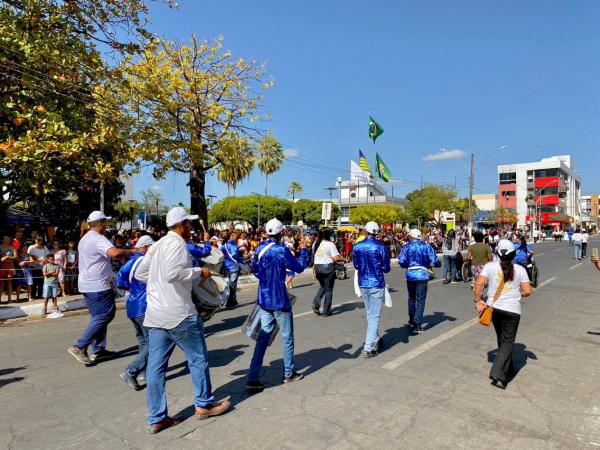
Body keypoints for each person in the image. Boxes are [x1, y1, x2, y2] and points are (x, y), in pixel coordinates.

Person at [135, 207, 230, 434]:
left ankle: (157, 418)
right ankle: (204, 405)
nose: (191, 227)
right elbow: (173, 274)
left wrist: (159, 286)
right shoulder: (176, 244)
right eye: (189, 223)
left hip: (156, 316)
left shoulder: (156, 245)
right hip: (179, 314)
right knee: (197, 359)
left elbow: (141, 274)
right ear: (182, 225)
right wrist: (200, 272)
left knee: (156, 370)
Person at [246, 218, 308, 390]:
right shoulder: (281, 250)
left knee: (262, 338)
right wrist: (303, 250)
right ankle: (288, 373)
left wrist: (266, 281)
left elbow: (255, 270)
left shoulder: (259, 248)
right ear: (281, 233)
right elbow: (300, 267)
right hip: (280, 300)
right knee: (287, 337)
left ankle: (253, 376)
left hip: (264, 300)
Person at [67, 211, 133, 366]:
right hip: (98, 284)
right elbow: (114, 253)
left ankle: (98, 349)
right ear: (100, 223)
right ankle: (79, 346)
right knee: (105, 315)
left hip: (88, 284)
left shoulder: (85, 238)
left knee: (98, 316)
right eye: (105, 222)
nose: (106, 225)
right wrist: (131, 251)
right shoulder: (98, 238)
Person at [474, 239, 532, 389]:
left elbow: (479, 283)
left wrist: (478, 300)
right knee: (507, 341)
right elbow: (527, 291)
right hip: (512, 311)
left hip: (494, 308)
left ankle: (508, 366)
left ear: (497, 253)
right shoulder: (520, 269)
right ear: (513, 254)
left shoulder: (490, 266)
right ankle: (499, 375)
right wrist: (516, 293)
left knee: (502, 338)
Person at [116, 235, 155, 391]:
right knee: (153, 344)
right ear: (145, 247)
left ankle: (144, 373)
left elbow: (120, 282)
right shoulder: (147, 262)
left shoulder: (130, 262)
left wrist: (134, 290)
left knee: (144, 343)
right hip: (145, 307)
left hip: (132, 306)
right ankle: (130, 371)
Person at [353, 222, 391, 358]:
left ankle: (375, 339)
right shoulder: (381, 247)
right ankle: (368, 348)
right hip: (376, 283)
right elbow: (386, 267)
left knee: (370, 314)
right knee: (374, 316)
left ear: (366, 231)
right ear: (376, 232)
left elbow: (356, 265)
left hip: (363, 283)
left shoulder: (357, 246)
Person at [398, 229, 441, 334]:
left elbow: (401, 261)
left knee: (411, 298)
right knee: (421, 300)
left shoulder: (406, 247)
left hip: (410, 275)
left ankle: (412, 320)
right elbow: (435, 261)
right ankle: (417, 324)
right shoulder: (426, 246)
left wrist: (407, 265)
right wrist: (436, 264)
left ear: (411, 236)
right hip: (422, 274)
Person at [312, 228, 346, 316]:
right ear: (328, 235)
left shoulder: (316, 243)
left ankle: (316, 304)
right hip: (327, 267)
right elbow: (335, 258)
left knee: (323, 286)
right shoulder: (330, 244)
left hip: (317, 267)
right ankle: (326, 311)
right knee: (329, 289)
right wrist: (343, 258)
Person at [222, 231, 241, 308]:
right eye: (236, 236)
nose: (237, 238)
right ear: (232, 236)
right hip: (233, 267)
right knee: (232, 286)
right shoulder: (232, 245)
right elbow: (234, 254)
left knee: (232, 284)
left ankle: (234, 300)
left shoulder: (224, 246)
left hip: (228, 267)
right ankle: (229, 303)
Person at [42, 253, 63, 318]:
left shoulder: (57, 265)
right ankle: (44, 308)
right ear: (47, 260)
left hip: (55, 283)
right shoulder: (45, 266)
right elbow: (44, 274)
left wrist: (49, 274)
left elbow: (56, 273)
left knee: (54, 296)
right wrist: (51, 273)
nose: (53, 260)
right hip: (47, 283)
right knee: (46, 297)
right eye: (51, 259)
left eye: (53, 259)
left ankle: (55, 308)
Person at [0, 236, 17, 303]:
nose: (8, 240)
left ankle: (9, 299)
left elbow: (15, 257)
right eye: (6, 239)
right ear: (3, 240)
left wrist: (7, 257)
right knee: (1, 283)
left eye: (9, 239)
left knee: (9, 283)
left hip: (9, 266)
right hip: (1, 266)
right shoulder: (0, 247)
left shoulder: (12, 247)